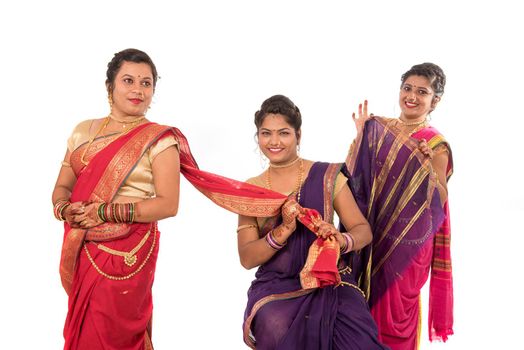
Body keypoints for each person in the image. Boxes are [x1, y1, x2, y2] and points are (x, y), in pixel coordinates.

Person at [52, 48, 181, 349]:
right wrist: (64, 209)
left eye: (146, 83)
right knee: (85, 331)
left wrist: (105, 212)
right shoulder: (83, 132)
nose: (138, 90)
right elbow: (61, 188)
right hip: (84, 246)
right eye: (128, 80)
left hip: (129, 252)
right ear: (110, 85)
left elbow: (168, 204)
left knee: (118, 334)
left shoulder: (160, 139)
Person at [237, 95, 389, 349]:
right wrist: (283, 231)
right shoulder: (251, 189)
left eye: (283, 133)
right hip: (277, 285)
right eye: (266, 133)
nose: (274, 142)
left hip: (330, 279)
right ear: (257, 137)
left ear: (298, 134)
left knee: (357, 333)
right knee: (275, 322)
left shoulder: (326, 176)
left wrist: (342, 239)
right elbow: (247, 258)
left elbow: (363, 231)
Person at [349, 63, 453, 349]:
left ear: (435, 100)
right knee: (361, 309)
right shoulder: (380, 131)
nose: (412, 96)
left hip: (408, 244)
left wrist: (425, 168)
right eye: (407, 88)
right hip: (373, 232)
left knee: (394, 317)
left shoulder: (435, 143)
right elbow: (354, 181)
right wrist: (361, 139)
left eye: (422, 92)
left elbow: (440, 199)